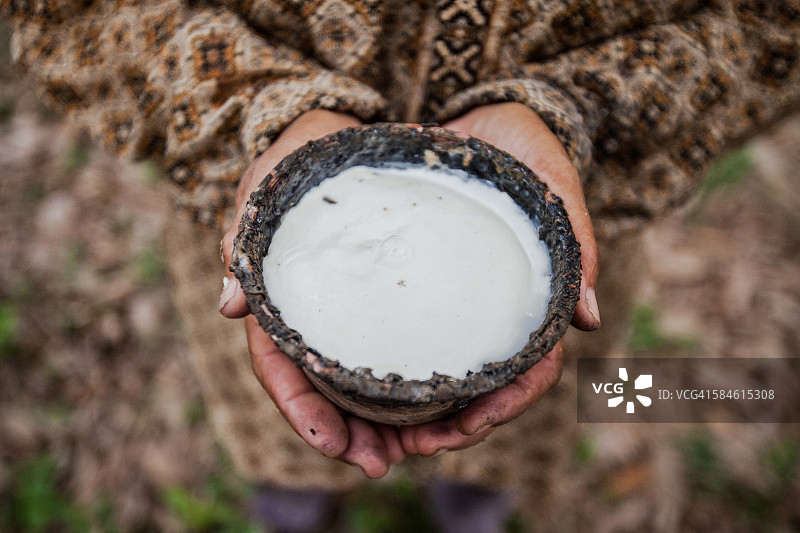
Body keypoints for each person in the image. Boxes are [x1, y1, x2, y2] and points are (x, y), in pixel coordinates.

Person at [3, 0, 798, 530]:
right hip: (255, 197)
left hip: (568, 204)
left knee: (503, 432)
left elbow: (771, 27)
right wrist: (261, 106)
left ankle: (472, 506)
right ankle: (296, 503)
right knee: (288, 427)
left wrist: (571, 107)